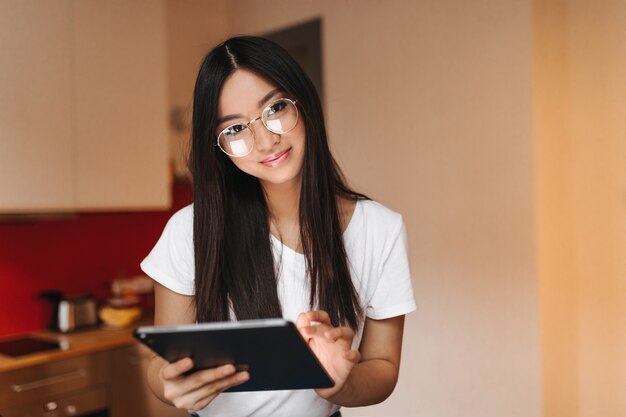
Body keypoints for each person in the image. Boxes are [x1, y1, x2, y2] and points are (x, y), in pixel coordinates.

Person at [140, 36, 416, 417]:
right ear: (217, 146)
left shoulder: (380, 230)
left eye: (276, 107)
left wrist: (342, 384)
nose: (266, 140)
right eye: (235, 129)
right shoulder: (189, 230)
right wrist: (169, 384)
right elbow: (160, 366)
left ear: (304, 103)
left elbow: (383, 369)